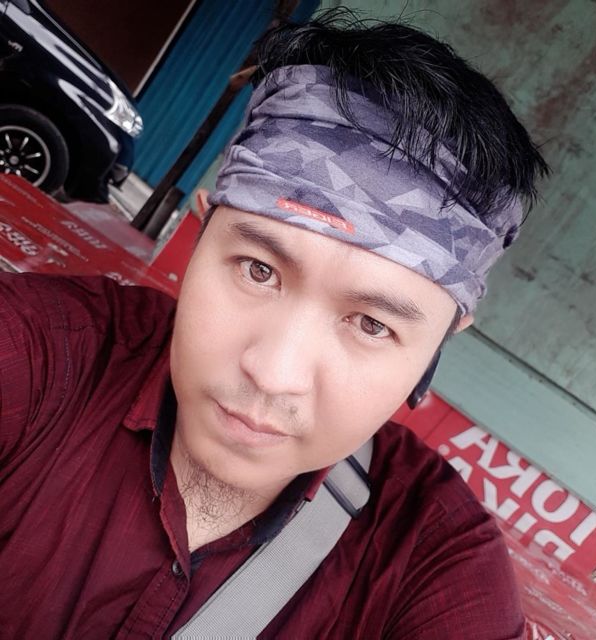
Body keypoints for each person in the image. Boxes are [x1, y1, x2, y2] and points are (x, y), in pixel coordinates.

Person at [0, 10, 548, 639]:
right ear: (199, 236)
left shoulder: (433, 562)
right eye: (258, 271)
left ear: (435, 348)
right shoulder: (45, 351)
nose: (272, 372)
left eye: (371, 324)